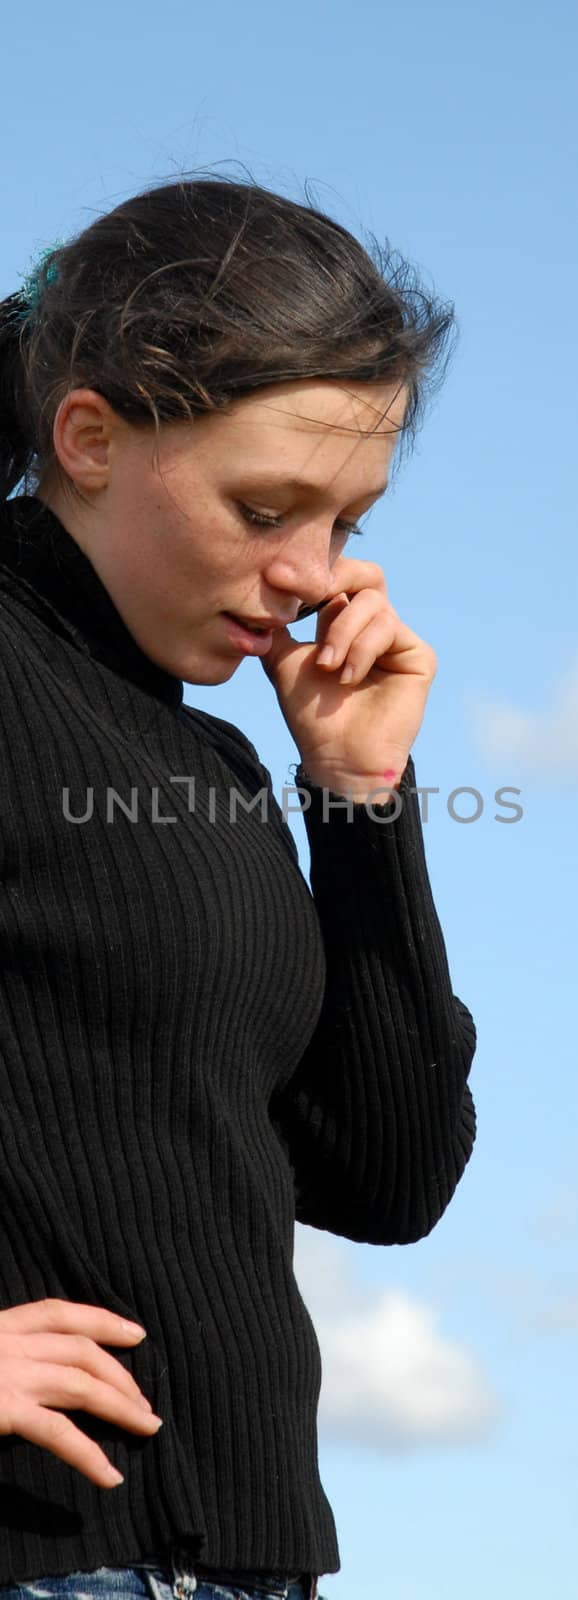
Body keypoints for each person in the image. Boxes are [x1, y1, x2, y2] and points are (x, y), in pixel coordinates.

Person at [0, 173, 478, 1600]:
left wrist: (358, 802)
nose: (309, 577)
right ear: (87, 434)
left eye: (343, 519)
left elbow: (385, 1179)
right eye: (264, 505)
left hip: (246, 1565)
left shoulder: (205, 760)